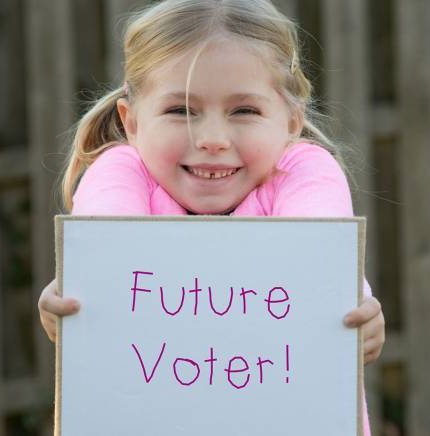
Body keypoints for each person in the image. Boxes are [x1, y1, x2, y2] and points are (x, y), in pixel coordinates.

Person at [38, 0, 384, 433]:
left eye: (244, 111)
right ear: (132, 122)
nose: (213, 139)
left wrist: (359, 310)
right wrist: (73, 304)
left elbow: (323, 266)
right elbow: (107, 267)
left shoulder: (304, 172)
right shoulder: (117, 174)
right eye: (180, 110)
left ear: (292, 120)